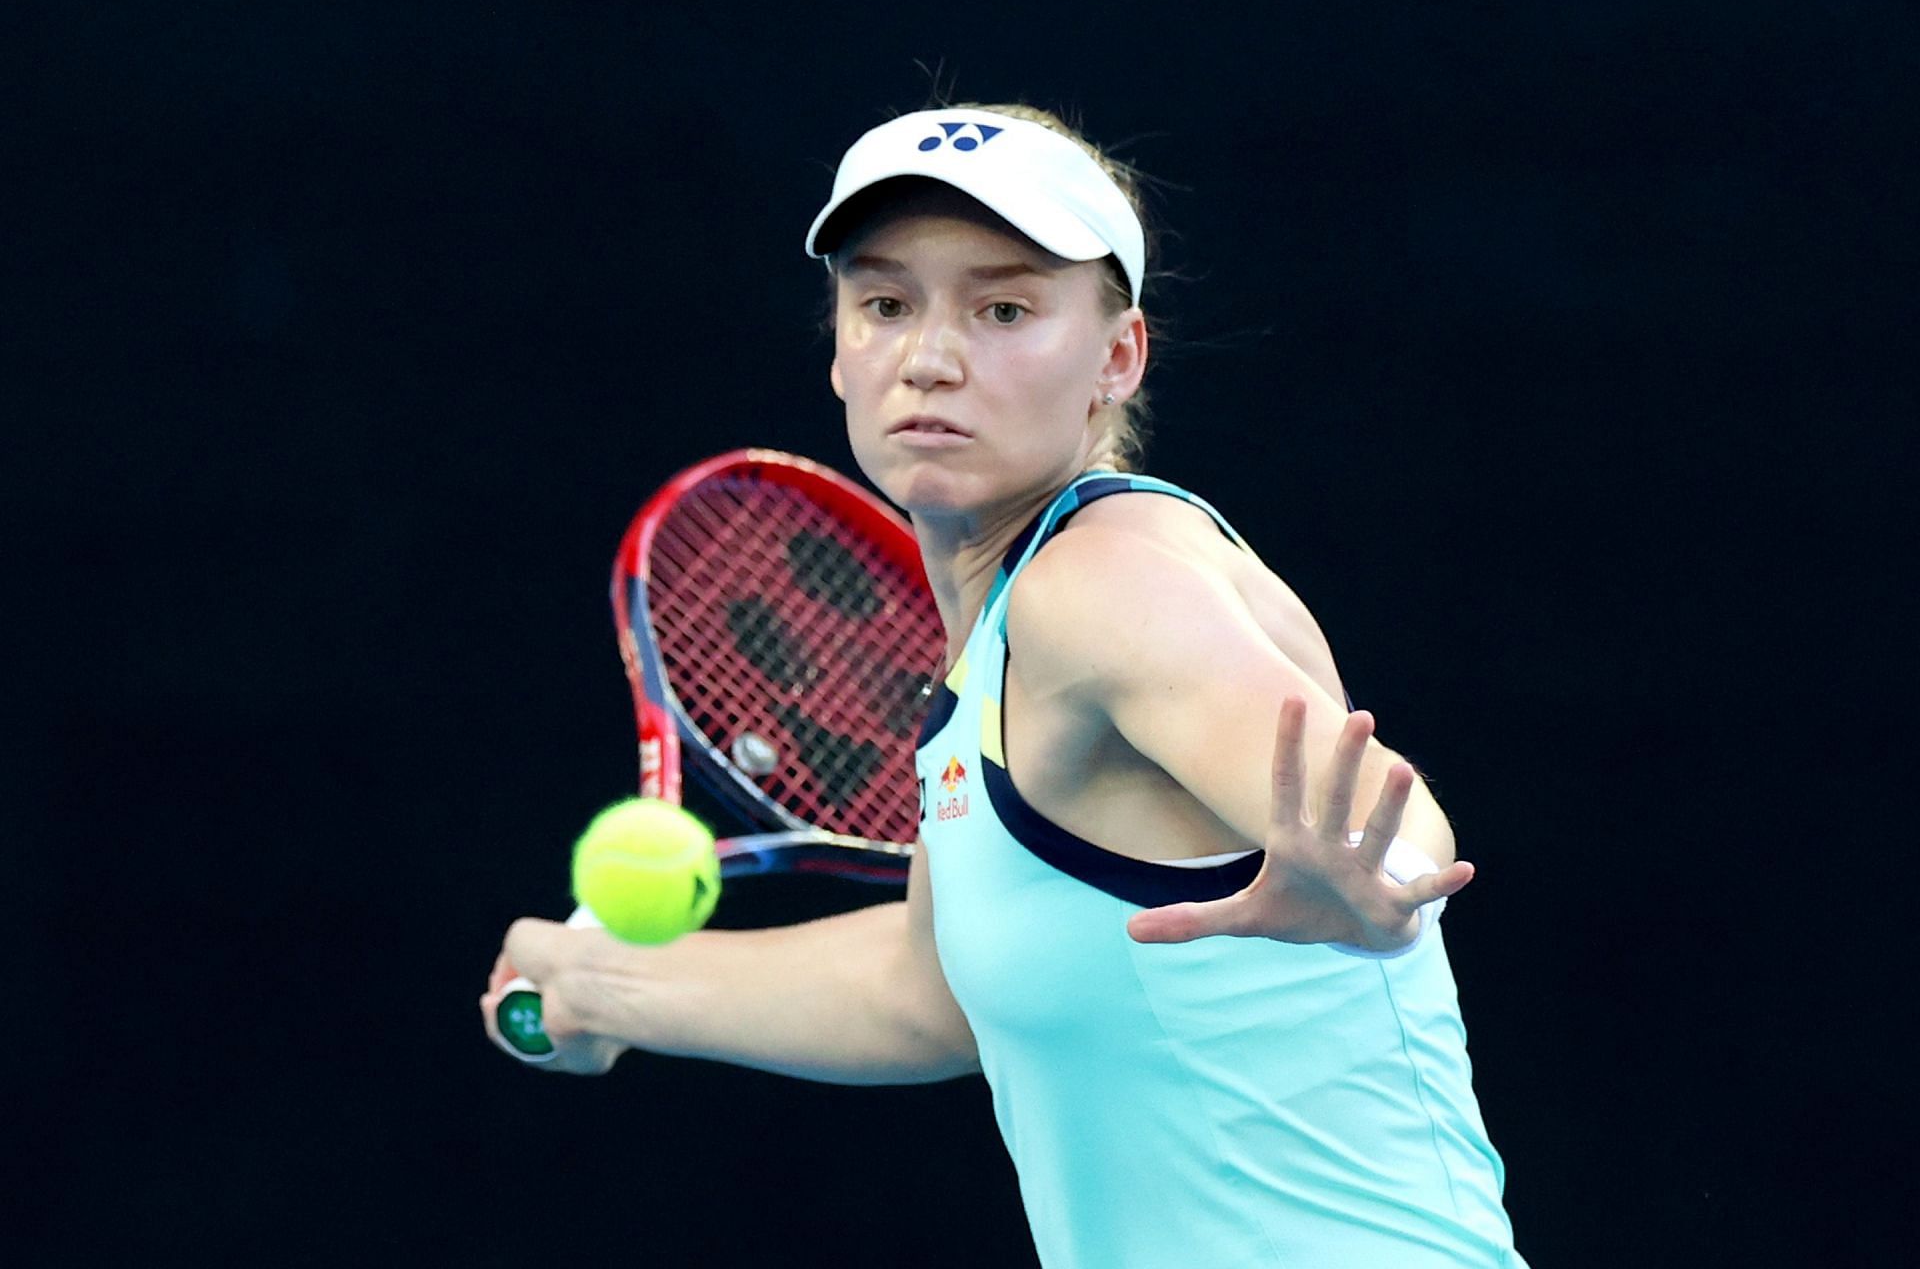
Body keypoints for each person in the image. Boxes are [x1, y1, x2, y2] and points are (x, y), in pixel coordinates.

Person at [484, 104, 1527, 1268]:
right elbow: (923, 991)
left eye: (1004, 308)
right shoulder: (989, 650)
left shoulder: (1100, 578)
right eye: (886, 304)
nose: (930, 355)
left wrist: (1371, 882)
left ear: (1118, 355)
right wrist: (600, 985)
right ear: (837, 348)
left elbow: (1392, 831)